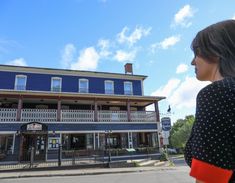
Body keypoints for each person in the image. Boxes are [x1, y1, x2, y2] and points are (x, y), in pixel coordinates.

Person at [184, 19, 235, 183]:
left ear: (215, 51)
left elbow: (211, 176)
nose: (193, 61)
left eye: (197, 53)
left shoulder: (216, 94)